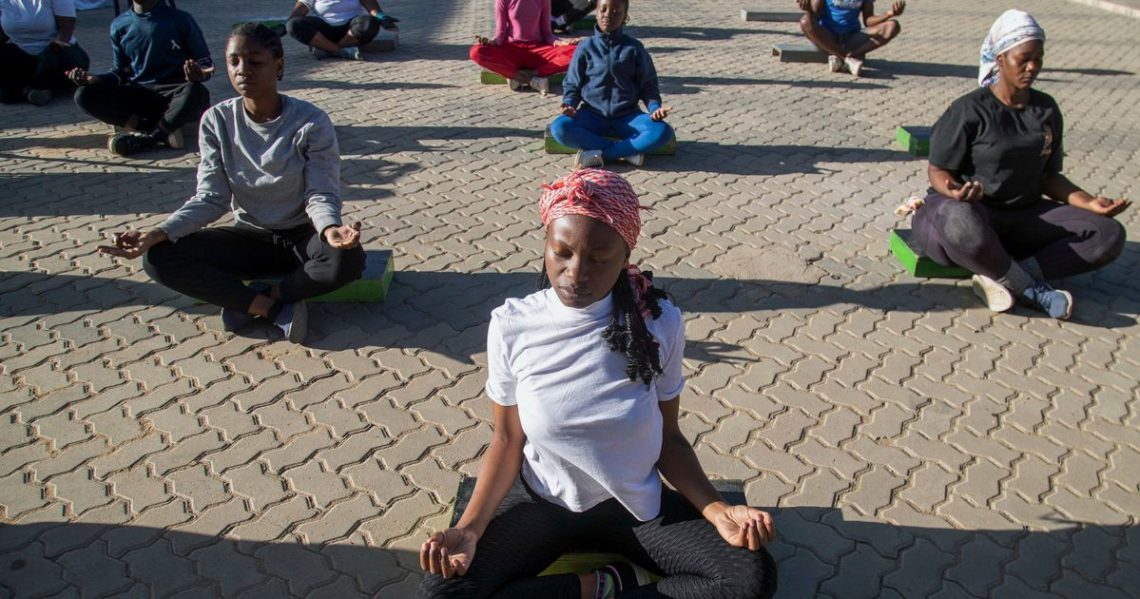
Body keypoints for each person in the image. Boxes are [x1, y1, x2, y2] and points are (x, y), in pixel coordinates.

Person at [418, 169, 778, 599]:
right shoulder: (513, 324)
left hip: (634, 508)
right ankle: (602, 586)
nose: (576, 272)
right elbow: (507, 439)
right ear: (546, 247)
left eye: (599, 258)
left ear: (626, 256)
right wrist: (470, 528)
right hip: (542, 504)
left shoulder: (657, 323)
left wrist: (717, 510)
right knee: (442, 593)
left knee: (748, 578)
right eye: (562, 252)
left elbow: (669, 439)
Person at [97, 23, 366, 344]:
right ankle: (268, 308)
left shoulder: (310, 121)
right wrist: (157, 233)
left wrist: (329, 229)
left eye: (255, 62)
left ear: (278, 65)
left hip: (302, 237)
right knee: (157, 257)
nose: (243, 71)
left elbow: (320, 191)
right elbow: (211, 197)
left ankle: (267, 295)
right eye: (234, 61)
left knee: (347, 260)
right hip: (249, 238)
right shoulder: (216, 120)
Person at [908, 10, 1127, 320]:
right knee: (958, 219)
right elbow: (938, 171)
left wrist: (1089, 202)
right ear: (1000, 59)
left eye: (1038, 58)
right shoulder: (969, 110)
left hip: (1021, 218)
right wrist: (954, 192)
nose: (1032, 66)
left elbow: (1049, 177)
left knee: (1108, 234)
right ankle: (1033, 290)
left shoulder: (1046, 109)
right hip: (966, 217)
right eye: (1023, 58)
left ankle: (1004, 276)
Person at [68, 0, 211, 156]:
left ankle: (149, 139)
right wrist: (95, 79)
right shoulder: (119, 24)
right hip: (140, 94)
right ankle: (161, 129)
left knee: (197, 92)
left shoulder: (180, 19)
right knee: (83, 95)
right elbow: (119, 72)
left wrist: (199, 74)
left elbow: (205, 64)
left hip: (175, 93)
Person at [549, 0, 672, 169]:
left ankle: (598, 154)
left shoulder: (634, 48)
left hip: (628, 117)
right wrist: (569, 104)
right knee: (559, 127)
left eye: (616, 12)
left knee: (662, 131)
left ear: (625, 17)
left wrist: (654, 109)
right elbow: (572, 84)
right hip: (592, 115)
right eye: (603, 10)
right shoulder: (585, 47)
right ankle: (628, 152)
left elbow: (648, 86)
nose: (608, 15)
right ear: (597, 13)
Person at [471, 0, 579, 95]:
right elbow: (500, 33)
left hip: (538, 50)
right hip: (512, 49)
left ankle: (530, 74)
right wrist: (492, 42)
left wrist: (564, 43)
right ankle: (525, 79)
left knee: (578, 51)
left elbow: (547, 34)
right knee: (476, 51)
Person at [0, 0, 90, 106]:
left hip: (55, 49)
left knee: (52, 58)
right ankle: (31, 91)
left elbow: (66, 29)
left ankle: (36, 88)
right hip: (22, 51)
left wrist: (53, 49)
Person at [797, 0, 904, 77]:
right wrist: (808, 9)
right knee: (806, 21)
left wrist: (889, 14)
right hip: (828, 38)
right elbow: (815, 15)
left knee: (892, 26)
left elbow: (868, 21)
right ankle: (847, 59)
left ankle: (842, 57)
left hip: (851, 37)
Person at [285, 0, 398, 61]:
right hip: (324, 30)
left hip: (352, 30)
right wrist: (285, 25)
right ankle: (339, 50)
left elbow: (370, 3)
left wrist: (381, 16)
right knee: (294, 24)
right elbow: (301, 7)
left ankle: (327, 49)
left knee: (370, 23)